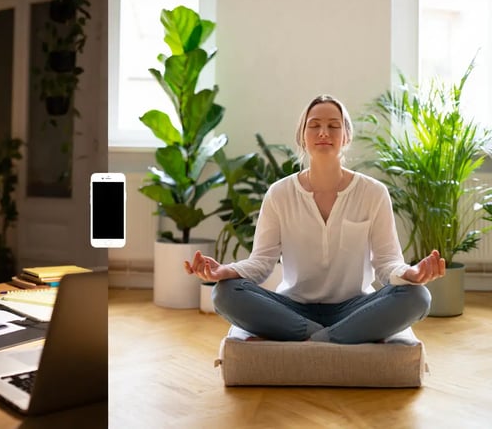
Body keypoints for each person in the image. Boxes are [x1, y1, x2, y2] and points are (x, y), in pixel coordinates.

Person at [184, 95, 445, 344]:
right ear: (302, 136)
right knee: (225, 293)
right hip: (292, 308)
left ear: (346, 136)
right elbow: (261, 262)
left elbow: (387, 263)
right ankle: (337, 336)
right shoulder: (279, 193)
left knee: (418, 296)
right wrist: (224, 271)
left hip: (355, 308)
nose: (323, 132)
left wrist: (411, 273)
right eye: (314, 125)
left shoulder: (373, 193)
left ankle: (315, 339)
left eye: (334, 126)